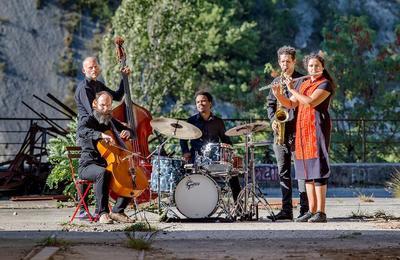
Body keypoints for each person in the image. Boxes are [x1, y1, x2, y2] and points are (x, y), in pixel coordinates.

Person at [272, 52, 335, 223]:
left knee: (318, 169)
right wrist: (279, 95)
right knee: (306, 170)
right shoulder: (304, 83)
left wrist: (292, 88)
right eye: (310, 66)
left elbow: (310, 102)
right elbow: (292, 104)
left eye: (317, 66)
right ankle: (311, 210)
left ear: (322, 68)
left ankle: (321, 211)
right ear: (307, 67)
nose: (313, 69)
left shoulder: (325, 84)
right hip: (302, 130)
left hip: (317, 129)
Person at [74, 56, 130, 219]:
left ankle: (117, 210)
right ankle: (94, 210)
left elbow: (117, 97)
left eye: (96, 66)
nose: (94, 69)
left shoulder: (98, 85)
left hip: (101, 130)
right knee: (100, 170)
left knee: (126, 172)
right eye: (90, 67)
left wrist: (124, 78)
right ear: (84, 70)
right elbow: (94, 114)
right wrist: (107, 127)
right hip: (89, 133)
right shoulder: (83, 88)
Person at [78, 91, 136, 224]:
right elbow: (82, 131)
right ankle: (102, 213)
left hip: (109, 164)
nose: (106, 109)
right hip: (88, 165)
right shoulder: (88, 120)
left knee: (130, 175)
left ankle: (117, 211)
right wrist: (101, 135)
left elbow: (132, 133)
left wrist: (128, 132)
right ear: (95, 104)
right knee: (103, 173)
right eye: (103, 105)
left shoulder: (111, 121)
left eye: (108, 106)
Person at [266, 46, 309, 221]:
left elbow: (300, 103)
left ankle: (305, 209)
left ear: (294, 62)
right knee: (283, 172)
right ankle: (286, 210)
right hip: (280, 133)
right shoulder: (276, 81)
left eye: (288, 62)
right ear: (279, 62)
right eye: (282, 62)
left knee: (301, 172)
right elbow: (270, 104)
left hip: (298, 130)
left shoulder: (301, 81)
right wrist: (273, 120)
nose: (285, 65)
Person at [180, 91, 242, 201]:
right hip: (196, 158)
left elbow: (225, 139)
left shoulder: (218, 122)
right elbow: (183, 139)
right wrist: (185, 152)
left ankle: (238, 206)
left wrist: (232, 154)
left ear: (210, 103)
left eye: (203, 101)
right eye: (198, 102)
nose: (200, 104)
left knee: (233, 173)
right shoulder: (191, 121)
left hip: (214, 158)